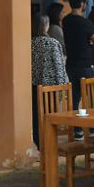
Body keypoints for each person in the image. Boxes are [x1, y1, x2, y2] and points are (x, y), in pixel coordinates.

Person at [62, 0, 94, 133]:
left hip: (71, 64)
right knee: (91, 97)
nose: (86, 5)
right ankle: (93, 129)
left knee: (74, 98)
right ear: (82, 4)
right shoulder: (85, 22)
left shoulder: (66, 20)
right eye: (86, 3)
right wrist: (89, 42)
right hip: (85, 65)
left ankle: (76, 129)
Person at [31, 13, 68, 146]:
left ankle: (39, 143)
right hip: (50, 87)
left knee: (36, 117)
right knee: (50, 116)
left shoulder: (30, 43)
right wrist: (63, 87)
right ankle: (49, 143)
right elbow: (59, 67)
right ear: (46, 26)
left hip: (34, 86)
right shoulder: (53, 43)